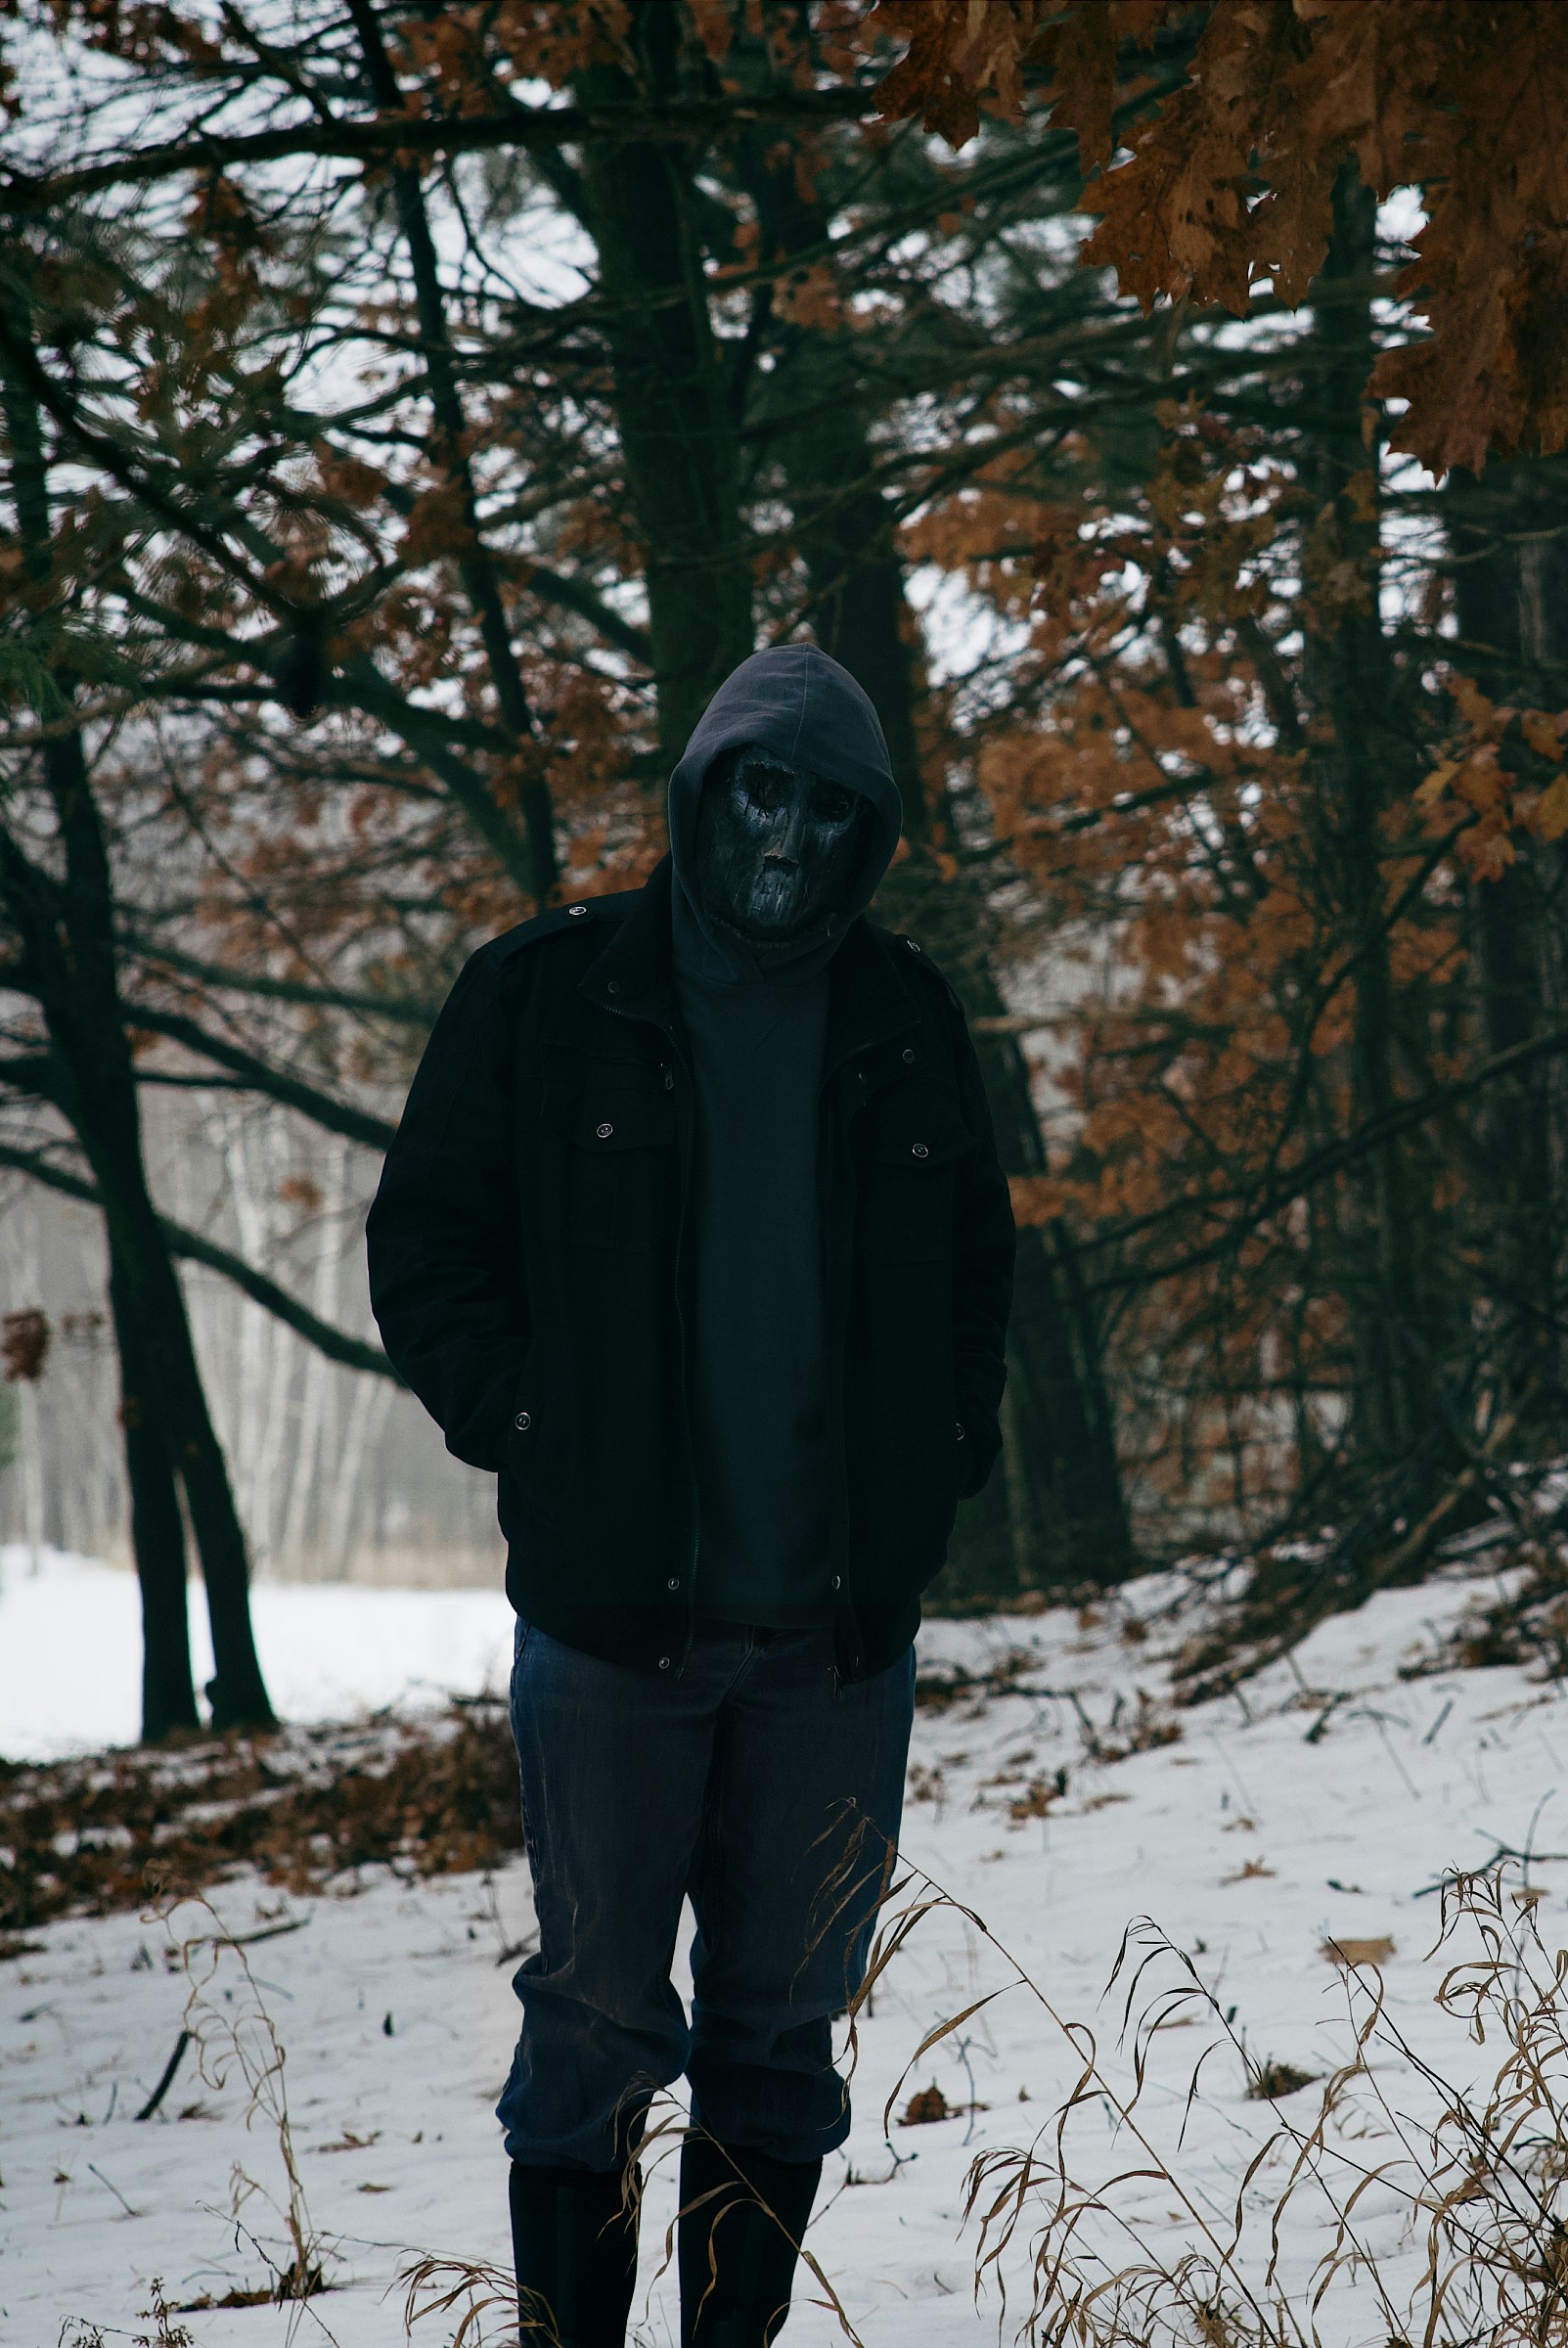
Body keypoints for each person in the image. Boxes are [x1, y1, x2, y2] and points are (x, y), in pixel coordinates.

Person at [366, 642, 1013, 2347]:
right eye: (761, 787)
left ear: (865, 830)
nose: (787, 830)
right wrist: (522, 1412)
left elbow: (975, 1281)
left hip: (839, 1640)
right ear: (707, 792)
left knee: (781, 2035)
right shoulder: (548, 995)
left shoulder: (904, 1017)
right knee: (590, 2015)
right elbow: (426, 1238)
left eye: (826, 803)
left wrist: (944, 1454)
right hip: (612, 1630)